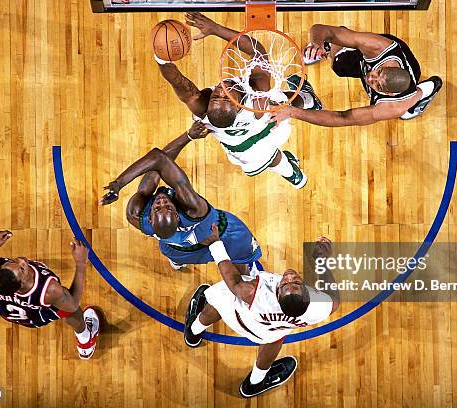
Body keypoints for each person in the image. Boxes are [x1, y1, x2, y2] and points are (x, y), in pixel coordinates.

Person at [156, 12, 323, 189]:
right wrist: (216, 29)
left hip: (241, 141)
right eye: (225, 97)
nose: (221, 90)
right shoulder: (258, 97)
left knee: (278, 115)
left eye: (215, 96)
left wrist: (160, 56)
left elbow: (177, 82)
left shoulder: (202, 108)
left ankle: (296, 173)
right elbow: (257, 50)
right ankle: (295, 171)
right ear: (238, 106)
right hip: (256, 140)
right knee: (278, 115)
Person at [184, 227, 340, 397]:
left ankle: (193, 332)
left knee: (220, 300)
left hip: (239, 316)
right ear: (308, 294)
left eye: (286, 283)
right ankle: (253, 384)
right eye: (295, 281)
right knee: (275, 338)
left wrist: (215, 244)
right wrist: (321, 261)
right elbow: (335, 298)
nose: (289, 276)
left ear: (278, 293)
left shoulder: (257, 294)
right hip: (270, 330)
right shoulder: (318, 307)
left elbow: (234, 282)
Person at [99, 122, 261, 272]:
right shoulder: (194, 208)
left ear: (150, 220)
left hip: (177, 250)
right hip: (224, 234)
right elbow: (158, 160)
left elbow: (156, 166)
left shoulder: (135, 215)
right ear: (177, 216)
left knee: (173, 252)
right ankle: (247, 276)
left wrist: (118, 184)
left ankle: (177, 263)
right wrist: (188, 136)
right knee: (242, 263)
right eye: (167, 207)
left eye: (157, 208)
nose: (161, 201)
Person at [0, 230, 102, 360]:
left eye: (14, 262)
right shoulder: (49, 290)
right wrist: (81, 263)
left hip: (5, 309)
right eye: (22, 269)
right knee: (71, 311)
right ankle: (85, 340)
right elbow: (73, 303)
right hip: (36, 315)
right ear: (22, 284)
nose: (22, 261)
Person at [269, 23, 443, 127]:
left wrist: (293, 112)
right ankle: (334, 45)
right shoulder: (378, 47)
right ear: (384, 66)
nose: (371, 78)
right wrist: (317, 42)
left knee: (409, 104)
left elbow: (342, 118)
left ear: (389, 94)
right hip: (382, 53)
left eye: (378, 85)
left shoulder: (393, 106)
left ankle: (428, 92)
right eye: (379, 72)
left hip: (407, 97)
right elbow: (321, 28)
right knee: (338, 53)